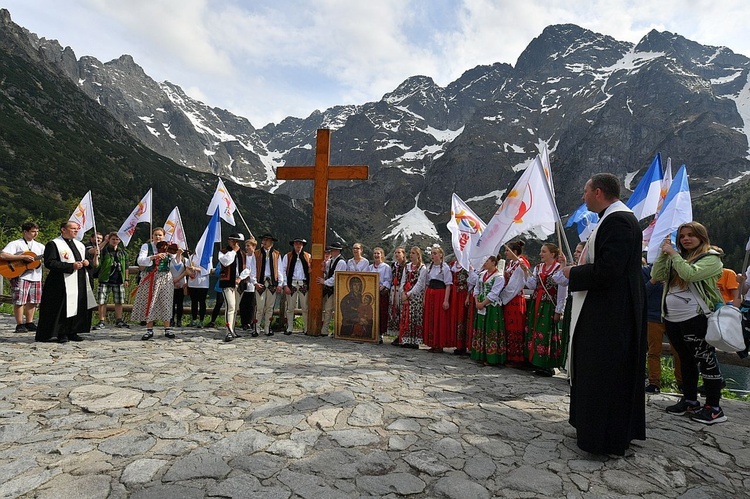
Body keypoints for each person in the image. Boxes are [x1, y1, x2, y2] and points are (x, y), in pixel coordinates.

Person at [561, 173, 646, 455]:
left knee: (603, 372)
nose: (582, 198)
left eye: (585, 192)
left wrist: (574, 272)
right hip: (610, 308)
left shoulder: (619, 221)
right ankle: (595, 428)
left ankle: (602, 436)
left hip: (612, 313)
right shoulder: (613, 218)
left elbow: (609, 270)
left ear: (598, 192)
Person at [651, 222, 727, 424]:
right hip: (672, 318)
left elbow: (690, 274)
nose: (685, 239)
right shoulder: (678, 259)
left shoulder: (712, 258)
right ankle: (690, 400)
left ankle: (714, 407)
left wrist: (674, 255)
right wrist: (663, 254)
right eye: (682, 236)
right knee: (685, 359)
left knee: (706, 360)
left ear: (701, 237)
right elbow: (656, 276)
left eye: (691, 235)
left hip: (697, 317)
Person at [35, 221, 96, 342]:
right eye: (73, 228)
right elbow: (50, 262)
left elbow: (88, 261)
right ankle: (60, 332)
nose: (76, 231)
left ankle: (73, 331)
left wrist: (87, 263)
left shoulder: (80, 245)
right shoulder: (54, 244)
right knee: (62, 308)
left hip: (79, 280)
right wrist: (70, 266)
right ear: (63, 230)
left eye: (77, 229)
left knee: (78, 306)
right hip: (60, 282)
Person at [525, 243, 568, 376]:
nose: (540, 254)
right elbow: (532, 285)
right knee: (534, 330)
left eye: (543, 252)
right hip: (536, 303)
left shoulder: (558, 268)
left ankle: (547, 364)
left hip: (548, 305)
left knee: (545, 333)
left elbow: (562, 290)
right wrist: (526, 272)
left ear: (552, 254)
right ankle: (534, 361)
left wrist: (559, 310)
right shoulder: (538, 267)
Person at [132, 227, 182, 340]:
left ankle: (167, 329)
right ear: (152, 236)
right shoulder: (147, 246)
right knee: (150, 302)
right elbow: (140, 261)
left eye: (160, 235)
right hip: (150, 276)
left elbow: (177, 263)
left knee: (166, 301)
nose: (158, 237)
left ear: (164, 236)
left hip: (164, 277)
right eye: (155, 235)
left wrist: (178, 253)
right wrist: (154, 257)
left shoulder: (168, 247)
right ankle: (149, 330)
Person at [0, 221, 45, 333]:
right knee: (20, 300)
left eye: (37, 231)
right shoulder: (16, 243)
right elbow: (3, 254)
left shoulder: (40, 246)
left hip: (36, 276)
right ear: (25, 232)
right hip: (20, 276)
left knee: (33, 300)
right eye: (33, 231)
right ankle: (20, 324)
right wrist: (22, 257)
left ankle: (29, 322)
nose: (36, 234)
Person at [471, 256, 506, 365]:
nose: (484, 263)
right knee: (481, 329)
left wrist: (483, 303)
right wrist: (477, 301)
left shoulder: (499, 277)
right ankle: (480, 354)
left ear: (494, 262)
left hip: (491, 306)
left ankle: (491, 357)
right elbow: (476, 288)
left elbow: (494, 293)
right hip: (480, 304)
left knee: (490, 329)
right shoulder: (481, 274)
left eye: (487, 261)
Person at [499, 240, 530, 365]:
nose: (505, 253)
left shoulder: (521, 263)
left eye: (508, 250)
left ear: (515, 252)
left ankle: (516, 357)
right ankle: (508, 354)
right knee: (508, 326)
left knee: (515, 327)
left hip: (514, 298)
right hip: (508, 297)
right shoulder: (511, 263)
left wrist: (503, 296)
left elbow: (516, 284)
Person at [94, 232, 130, 329]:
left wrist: (126, 279)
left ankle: (119, 320)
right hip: (105, 279)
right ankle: (101, 320)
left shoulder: (123, 253)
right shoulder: (104, 251)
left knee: (119, 301)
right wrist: (95, 257)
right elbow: (97, 264)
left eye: (117, 239)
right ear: (109, 240)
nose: (115, 241)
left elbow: (126, 267)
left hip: (118, 279)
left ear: (119, 241)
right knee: (102, 301)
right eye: (113, 239)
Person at [422, 245, 453, 353]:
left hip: (440, 294)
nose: (433, 255)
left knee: (439, 319)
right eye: (432, 253)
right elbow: (426, 283)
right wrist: (424, 298)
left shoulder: (445, 268)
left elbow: (448, 284)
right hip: (430, 293)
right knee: (431, 318)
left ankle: (439, 344)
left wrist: (446, 300)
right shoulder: (429, 267)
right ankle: (431, 343)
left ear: (441, 255)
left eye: (435, 253)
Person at [218, 233, 246, 342]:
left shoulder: (242, 254)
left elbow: (246, 268)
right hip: (227, 282)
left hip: (239, 283)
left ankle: (233, 329)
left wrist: (240, 278)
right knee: (231, 306)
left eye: (237, 241)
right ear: (229, 241)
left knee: (235, 308)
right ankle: (228, 331)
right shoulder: (223, 252)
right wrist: (233, 251)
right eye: (233, 241)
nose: (236, 243)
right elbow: (225, 262)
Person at [281, 238, 312, 335]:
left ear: (303, 245)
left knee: (305, 307)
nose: (298, 246)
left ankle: (306, 328)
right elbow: (283, 271)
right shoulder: (288, 256)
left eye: (300, 244)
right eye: (296, 244)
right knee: (290, 307)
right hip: (292, 283)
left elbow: (311, 270)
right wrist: (285, 285)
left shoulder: (308, 256)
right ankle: (289, 327)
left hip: (304, 284)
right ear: (293, 245)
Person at [399, 246, 427, 349]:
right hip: (406, 295)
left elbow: (420, 284)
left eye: (413, 253)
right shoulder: (407, 266)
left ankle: (414, 340)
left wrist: (409, 294)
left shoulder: (422, 268)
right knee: (406, 317)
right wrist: (402, 292)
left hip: (415, 297)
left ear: (418, 255)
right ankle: (405, 339)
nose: (411, 255)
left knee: (414, 318)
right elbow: (403, 280)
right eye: (410, 253)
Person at [255, 233, 281, 336]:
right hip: (260, 282)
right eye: (263, 239)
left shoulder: (277, 254)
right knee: (260, 307)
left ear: (271, 242)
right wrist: (254, 282)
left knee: (270, 307)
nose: (264, 242)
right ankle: (256, 328)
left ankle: (267, 327)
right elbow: (252, 268)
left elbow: (279, 270)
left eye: (267, 240)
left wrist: (280, 283)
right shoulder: (256, 254)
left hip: (272, 282)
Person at [318, 242, 347, 336]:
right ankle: (324, 330)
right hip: (331, 289)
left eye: (333, 250)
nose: (331, 251)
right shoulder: (331, 261)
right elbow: (328, 272)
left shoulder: (341, 262)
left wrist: (324, 282)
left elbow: (336, 277)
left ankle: (334, 330)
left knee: (334, 310)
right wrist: (323, 269)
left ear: (338, 251)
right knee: (328, 310)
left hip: (337, 289)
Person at [367, 247, 392, 344]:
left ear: (382, 255)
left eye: (378, 253)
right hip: (371, 293)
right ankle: (371, 333)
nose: (376, 255)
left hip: (381, 293)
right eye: (374, 254)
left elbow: (388, 280)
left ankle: (380, 334)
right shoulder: (370, 267)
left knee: (381, 313)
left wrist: (380, 288)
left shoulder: (386, 267)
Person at [449, 257, 471, 355]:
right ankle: (455, 343)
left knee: (462, 318)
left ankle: (462, 345)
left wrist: (468, 296)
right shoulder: (453, 264)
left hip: (462, 293)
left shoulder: (467, 265)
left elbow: (471, 282)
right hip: (454, 294)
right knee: (454, 317)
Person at [186, 251, 211, 328]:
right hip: (192, 284)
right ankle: (194, 320)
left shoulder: (206, 257)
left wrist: (195, 269)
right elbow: (187, 268)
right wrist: (189, 273)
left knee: (202, 302)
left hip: (203, 284)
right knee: (194, 302)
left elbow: (208, 270)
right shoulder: (192, 257)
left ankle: (201, 321)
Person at [239, 238, 258, 335]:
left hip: (253, 283)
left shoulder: (257, 257)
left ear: (254, 247)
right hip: (244, 283)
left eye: (248, 246)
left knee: (251, 304)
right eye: (246, 246)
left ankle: (251, 322)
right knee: (243, 304)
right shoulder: (244, 257)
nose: (246, 248)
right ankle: (244, 322)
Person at [388, 247, 407, 344]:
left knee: (401, 312)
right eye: (395, 253)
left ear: (403, 254)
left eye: (399, 252)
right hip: (393, 290)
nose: (397, 254)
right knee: (394, 312)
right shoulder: (393, 265)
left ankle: (402, 335)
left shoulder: (407, 265)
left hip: (401, 289)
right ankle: (397, 334)